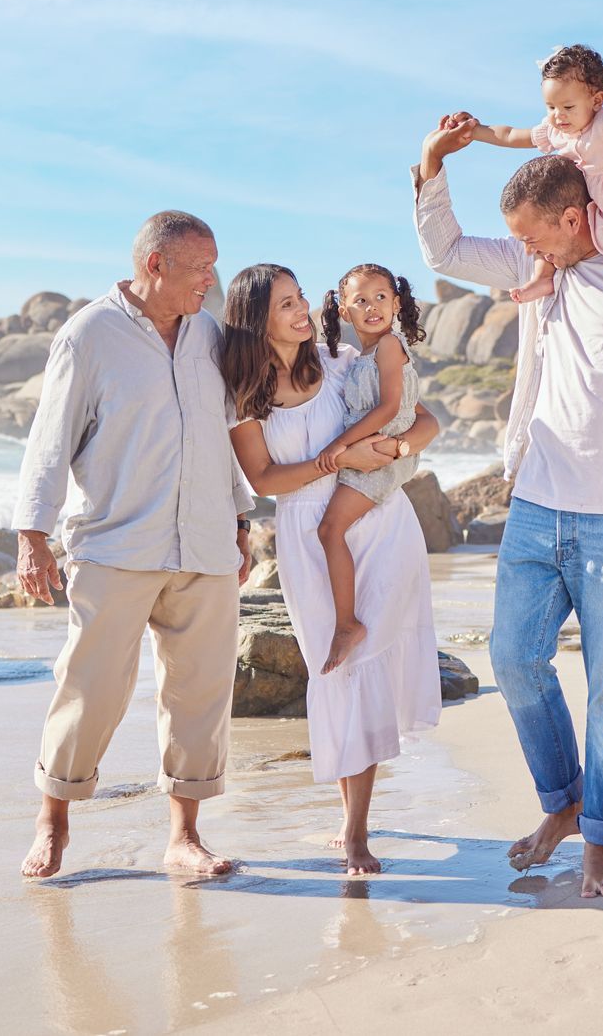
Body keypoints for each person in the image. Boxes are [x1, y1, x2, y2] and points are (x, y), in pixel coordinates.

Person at [413, 76, 603, 898]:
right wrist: (432, 164)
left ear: (574, 218)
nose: (526, 254)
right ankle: (565, 800)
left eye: (536, 238)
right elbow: (443, 251)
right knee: (514, 657)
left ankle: (602, 842)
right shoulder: (531, 262)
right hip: (537, 503)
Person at [14, 210, 254, 881]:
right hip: (117, 542)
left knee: (200, 696)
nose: (212, 279)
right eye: (200, 268)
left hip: (204, 543)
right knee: (88, 691)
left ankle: (184, 835)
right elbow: (50, 438)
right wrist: (33, 534)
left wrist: (240, 520)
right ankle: (52, 821)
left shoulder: (210, 334)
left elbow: (223, 434)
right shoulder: (89, 334)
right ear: (155, 265)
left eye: (213, 265)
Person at [220, 263, 444, 875]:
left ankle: (355, 831)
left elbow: (423, 420)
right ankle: (352, 823)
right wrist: (334, 459)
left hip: (380, 521)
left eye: (299, 300)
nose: (300, 312)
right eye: (285, 305)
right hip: (308, 535)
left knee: (365, 664)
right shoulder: (244, 395)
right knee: (335, 672)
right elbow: (264, 480)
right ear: (256, 320)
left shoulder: (340, 360)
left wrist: (394, 449)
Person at [464, 45, 603, 304]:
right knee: (544, 227)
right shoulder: (556, 131)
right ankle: (543, 277)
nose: (558, 116)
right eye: (551, 107)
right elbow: (511, 135)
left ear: (597, 101)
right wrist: (475, 131)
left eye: (567, 106)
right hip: (585, 202)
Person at [313, 264, 427, 671]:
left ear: (396, 304)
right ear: (345, 312)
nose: (372, 306)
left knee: (330, 529)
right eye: (360, 300)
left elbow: (391, 407)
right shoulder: (362, 355)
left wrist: (340, 443)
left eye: (381, 297)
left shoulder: (388, 347)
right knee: (336, 531)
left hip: (377, 458)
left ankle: (347, 624)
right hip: (373, 452)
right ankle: (350, 617)